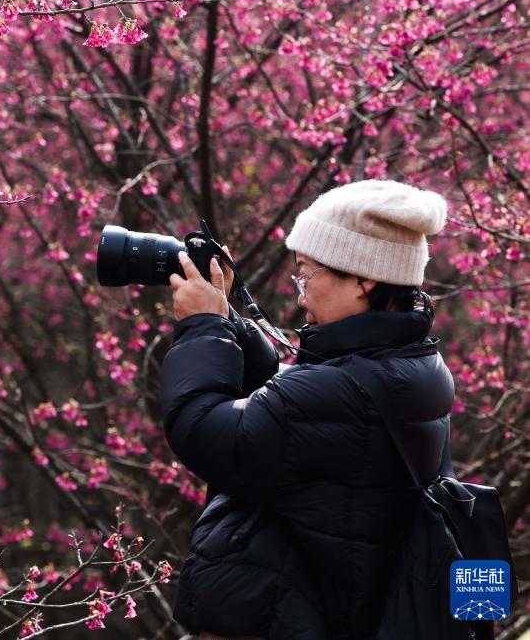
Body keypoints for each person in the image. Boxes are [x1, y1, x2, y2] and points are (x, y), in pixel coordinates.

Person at [161, 180, 452, 640]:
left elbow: (200, 427)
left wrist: (202, 328)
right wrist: (230, 324)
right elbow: (291, 408)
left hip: (289, 619)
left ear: (364, 279)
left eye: (308, 274)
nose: (300, 294)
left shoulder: (344, 388)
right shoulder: (410, 362)